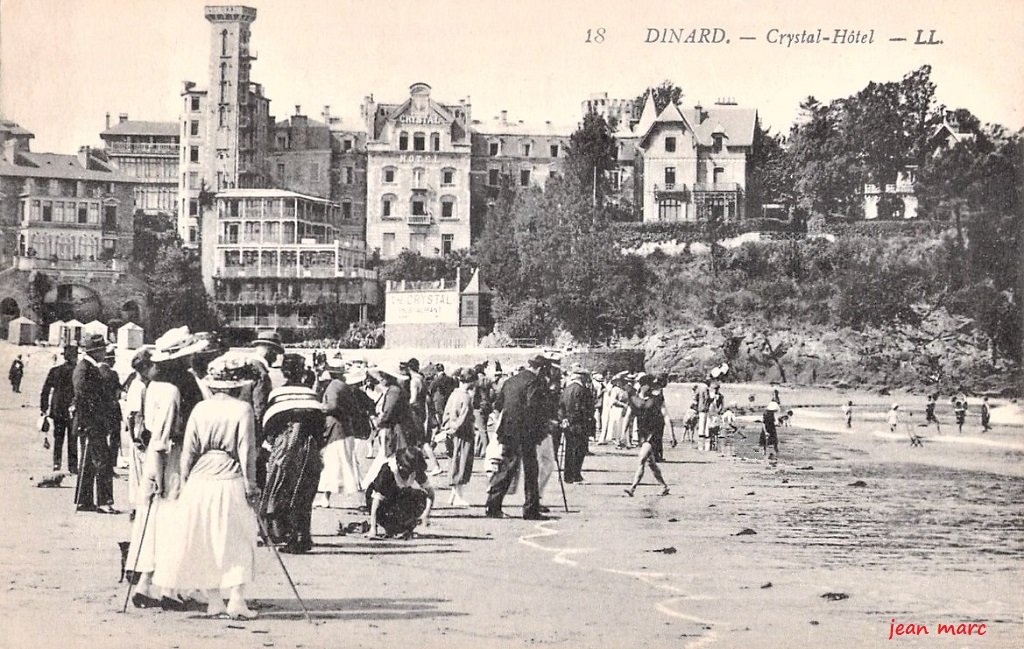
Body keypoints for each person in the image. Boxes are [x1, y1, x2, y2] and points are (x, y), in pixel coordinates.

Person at [158, 355, 260, 619]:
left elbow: (188, 452)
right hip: (230, 477)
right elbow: (246, 452)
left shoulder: (200, 409)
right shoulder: (242, 410)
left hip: (200, 480)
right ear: (238, 385)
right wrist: (252, 487)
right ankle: (236, 599)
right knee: (237, 538)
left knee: (205, 539)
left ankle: (214, 600)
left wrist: (185, 480)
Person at [127, 327, 210, 610]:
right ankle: (171, 587)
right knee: (176, 519)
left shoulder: (154, 385)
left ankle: (146, 582)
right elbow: (170, 432)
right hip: (173, 456)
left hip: (156, 454)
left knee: (155, 518)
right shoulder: (180, 387)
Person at [260, 355, 325, 554]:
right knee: (304, 492)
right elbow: (319, 424)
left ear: (284, 372)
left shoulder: (278, 394)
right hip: (308, 446)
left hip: (284, 447)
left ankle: (281, 533)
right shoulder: (311, 394)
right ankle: (301, 536)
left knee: (280, 488)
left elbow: (269, 423)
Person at [486, 355, 549, 520]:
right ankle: (530, 509)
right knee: (531, 470)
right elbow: (532, 408)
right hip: (525, 432)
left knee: (506, 468)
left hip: (508, 431)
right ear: (541, 369)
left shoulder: (510, 381)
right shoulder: (534, 382)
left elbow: (498, 405)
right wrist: (542, 428)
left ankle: (493, 505)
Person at [317, 363, 374, 509]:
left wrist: (319, 408)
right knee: (347, 465)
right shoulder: (343, 386)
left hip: (337, 430)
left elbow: (333, 405)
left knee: (335, 465)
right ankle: (357, 498)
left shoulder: (334, 386)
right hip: (345, 429)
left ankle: (327, 498)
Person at [72, 334, 118, 514]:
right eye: (103, 349)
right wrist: (88, 423)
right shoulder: (85, 369)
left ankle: (85, 500)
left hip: (91, 423)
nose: (105, 352)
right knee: (102, 461)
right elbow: (83, 398)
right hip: (91, 423)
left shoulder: (88, 367)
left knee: (90, 462)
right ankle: (104, 501)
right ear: (97, 351)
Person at [365, 447, 435, 539]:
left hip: (398, 496)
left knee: (420, 496)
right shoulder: (388, 471)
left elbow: (430, 493)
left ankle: (406, 528)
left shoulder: (414, 469)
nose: (408, 472)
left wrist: (426, 514)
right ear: (399, 464)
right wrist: (373, 528)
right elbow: (376, 502)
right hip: (380, 500)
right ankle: (389, 527)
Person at [624, 375, 672, 497]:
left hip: (654, 433)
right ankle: (664, 486)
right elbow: (628, 417)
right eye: (649, 385)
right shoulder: (634, 399)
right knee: (651, 463)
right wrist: (622, 434)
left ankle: (632, 488)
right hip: (642, 433)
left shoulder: (656, 399)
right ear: (643, 386)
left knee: (642, 459)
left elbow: (666, 415)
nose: (651, 388)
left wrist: (671, 435)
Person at [249, 330, 284, 487]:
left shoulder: (246, 365)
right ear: (268, 350)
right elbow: (259, 409)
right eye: (275, 352)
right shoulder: (262, 374)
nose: (276, 357)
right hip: (252, 432)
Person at [122, 348, 155, 513]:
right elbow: (132, 415)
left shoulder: (145, 385)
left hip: (143, 430)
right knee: (140, 470)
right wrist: (135, 438)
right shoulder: (138, 386)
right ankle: (138, 505)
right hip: (139, 431)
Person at [442, 368, 478, 507]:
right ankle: (458, 496)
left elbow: (446, 414)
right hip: (463, 434)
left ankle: (453, 494)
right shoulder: (466, 398)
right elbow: (463, 419)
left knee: (455, 461)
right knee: (462, 463)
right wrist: (455, 428)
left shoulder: (453, 394)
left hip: (453, 433)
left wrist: (448, 429)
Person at [41, 345, 78, 472]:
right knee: (72, 438)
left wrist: (44, 408)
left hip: (57, 409)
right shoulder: (77, 371)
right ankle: (73, 466)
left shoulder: (55, 371)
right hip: (72, 409)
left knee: (58, 438)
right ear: (74, 357)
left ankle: (57, 463)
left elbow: (45, 390)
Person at [559, 367, 594, 483]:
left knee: (569, 450)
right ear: (582, 377)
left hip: (568, 423)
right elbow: (581, 408)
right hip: (580, 423)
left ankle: (568, 476)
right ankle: (576, 475)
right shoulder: (582, 390)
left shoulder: (567, 389)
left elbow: (561, 406)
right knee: (579, 450)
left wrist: (564, 419)